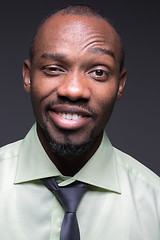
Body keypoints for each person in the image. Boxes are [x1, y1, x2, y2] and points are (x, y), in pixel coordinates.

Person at [0, 4, 159, 240]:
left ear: (120, 84)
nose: (73, 90)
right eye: (54, 68)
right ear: (28, 76)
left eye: (98, 72)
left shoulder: (155, 203)